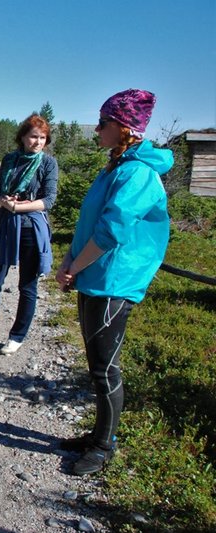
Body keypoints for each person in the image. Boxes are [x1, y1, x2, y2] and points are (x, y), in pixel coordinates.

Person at [56, 89, 171, 476]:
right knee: (96, 365)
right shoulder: (116, 166)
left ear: (124, 128)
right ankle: (97, 435)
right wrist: (71, 260)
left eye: (103, 123)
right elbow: (89, 221)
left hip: (115, 279)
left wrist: (75, 267)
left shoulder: (139, 173)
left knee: (106, 368)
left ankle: (105, 446)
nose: (98, 130)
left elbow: (110, 232)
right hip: (94, 274)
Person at [0, 114, 58, 354]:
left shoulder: (48, 163)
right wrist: (4, 202)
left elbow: (48, 200)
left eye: (42, 138)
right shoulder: (9, 160)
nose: (37, 142)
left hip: (31, 227)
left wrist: (19, 207)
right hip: (6, 224)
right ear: (22, 137)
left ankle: (16, 337)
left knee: (27, 285)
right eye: (33, 137)